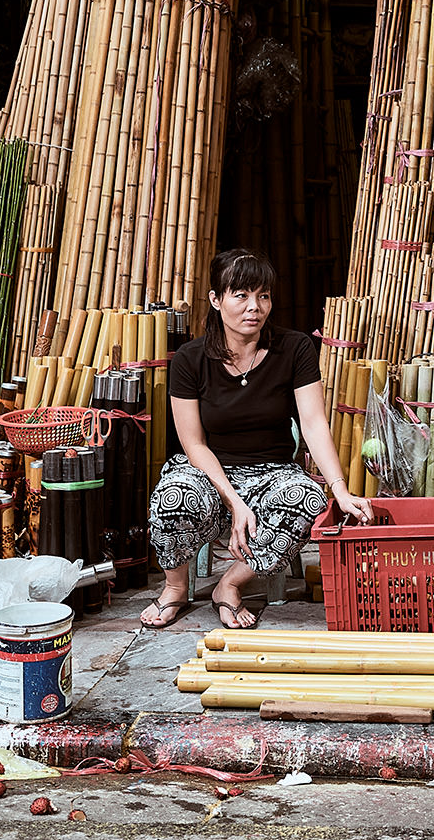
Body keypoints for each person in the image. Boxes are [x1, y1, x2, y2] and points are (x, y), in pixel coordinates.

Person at [141, 247, 371, 630]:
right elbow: (194, 444)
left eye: (263, 296)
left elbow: (313, 424)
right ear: (216, 300)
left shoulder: (294, 348)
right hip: (210, 471)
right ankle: (175, 588)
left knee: (308, 499)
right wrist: (234, 503)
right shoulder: (190, 359)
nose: (254, 307)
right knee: (172, 497)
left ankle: (229, 584)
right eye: (241, 295)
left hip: (272, 472)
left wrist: (340, 489)